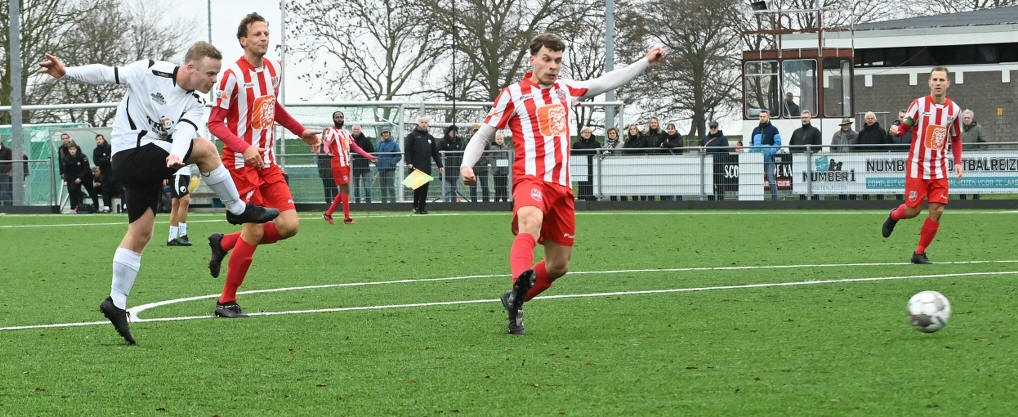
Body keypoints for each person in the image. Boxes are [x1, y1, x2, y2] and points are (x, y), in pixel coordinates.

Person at [37, 42, 280, 344]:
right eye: (210, 73)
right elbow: (107, 73)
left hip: (153, 158)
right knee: (206, 150)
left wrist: (176, 153)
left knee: (141, 233)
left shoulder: (196, 101)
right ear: (190, 67)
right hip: (129, 153)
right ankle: (237, 208)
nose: (214, 80)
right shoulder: (149, 71)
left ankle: (116, 302)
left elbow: (185, 130)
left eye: (216, 74)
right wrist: (66, 72)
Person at [459, 32, 666, 335]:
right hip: (530, 179)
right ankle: (520, 278)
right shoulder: (514, 94)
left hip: (562, 188)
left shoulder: (566, 90)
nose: (553, 65)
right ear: (532, 59)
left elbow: (606, 81)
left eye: (557, 60)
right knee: (530, 221)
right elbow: (483, 135)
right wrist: (466, 164)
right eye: (547, 59)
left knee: (559, 265)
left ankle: (515, 300)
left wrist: (645, 61)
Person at [205, 13, 322, 318]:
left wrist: (301, 131)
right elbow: (214, 123)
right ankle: (226, 302)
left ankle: (225, 242)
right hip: (240, 164)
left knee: (289, 225)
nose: (264, 38)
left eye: (266, 33)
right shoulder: (232, 75)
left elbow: (273, 107)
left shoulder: (273, 69)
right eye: (257, 34)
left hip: (267, 163)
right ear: (243, 40)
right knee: (255, 230)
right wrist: (244, 147)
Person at [881, 66, 964, 264]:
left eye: (941, 80)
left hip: (939, 168)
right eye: (934, 80)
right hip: (917, 166)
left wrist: (958, 162)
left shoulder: (954, 110)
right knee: (913, 210)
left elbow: (956, 138)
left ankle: (919, 252)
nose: (938, 83)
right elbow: (904, 127)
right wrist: (896, 131)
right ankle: (894, 216)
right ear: (929, 82)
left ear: (948, 83)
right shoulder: (919, 105)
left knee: (938, 210)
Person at [322, 111, 376, 225]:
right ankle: (347, 218)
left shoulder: (346, 132)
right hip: (338, 163)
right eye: (337, 117)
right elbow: (326, 144)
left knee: (343, 190)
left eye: (341, 117)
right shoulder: (331, 131)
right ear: (333, 119)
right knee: (346, 189)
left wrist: (369, 156)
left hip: (346, 164)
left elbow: (355, 147)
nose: (339, 119)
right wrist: (327, 152)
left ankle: (328, 214)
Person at [404, 116, 443, 214]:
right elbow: (407, 150)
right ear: (418, 123)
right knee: (417, 187)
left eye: (426, 122)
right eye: (422, 122)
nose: (424, 124)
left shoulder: (430, 137)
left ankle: (422, 207)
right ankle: (416, 206)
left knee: (425, 188)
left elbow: (435, 152)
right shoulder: (412, 136)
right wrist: (409, 162)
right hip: (415, 166)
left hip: (427, 166)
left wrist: (440, 165)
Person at [750, 110, 781, 200]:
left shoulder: (774, 129)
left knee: (771, 180)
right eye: (760, 116)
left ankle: (775, 201)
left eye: (764, 116)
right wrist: (751, 153)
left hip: (769, 160)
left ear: (768, 117)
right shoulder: (755, 130)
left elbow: (778, 143)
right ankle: (756, 200)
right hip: (756, 160)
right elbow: (751, 143)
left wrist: (770, 151)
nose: (762, 118)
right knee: (756, 181)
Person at [60, 143, 99, 213]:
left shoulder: (82, 156)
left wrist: (80, 178)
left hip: (86, 176)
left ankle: (96, 207)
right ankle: (74, 208)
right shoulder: (66, 158)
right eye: (70, 149)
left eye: (73, 149)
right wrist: (66, 180)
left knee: (91, 191)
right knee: (72, 190)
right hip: (75, 177)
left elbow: (86, 168)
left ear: (76, 149)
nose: (72, 151)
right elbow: (66, 170)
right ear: (68, 150)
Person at [960, 109, 986, 200]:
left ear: (972, 118)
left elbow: (984, 143)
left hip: (974, 159)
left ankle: (976, 199)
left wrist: (978, 153)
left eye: (968, 117)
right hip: (961, 158)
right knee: (961, 179)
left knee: (975, 179)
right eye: (965, 117)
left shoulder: (978, 128)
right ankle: (962, 200)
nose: (966, 119)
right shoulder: (958, 128)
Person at [701, 121, 730, 200]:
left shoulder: (723, 139)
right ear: (709, 128)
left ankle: (720, 202)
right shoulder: (705, 139)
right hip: (708, 166)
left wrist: (718, 161)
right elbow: (701, 152)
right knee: (710, 186)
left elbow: (726, 152)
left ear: (717, 127)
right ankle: (711, 203)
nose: (713, 128)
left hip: (718, 166)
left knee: (720, 185)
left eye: (715, 127)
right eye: (711, 127)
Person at [92, 134, 121, 213]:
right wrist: (106, 159)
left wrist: (102, 160)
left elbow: (112, 159)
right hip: (104, 174)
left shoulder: (110, 147)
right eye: (97, 139)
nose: (99, 141)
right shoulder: (96, 150)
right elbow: (96, 162)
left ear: (103, 139)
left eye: (100, 139)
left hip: (113, 173)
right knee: (105, 190)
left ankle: (125, 207)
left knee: (120, 189)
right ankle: (107, 207)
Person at [571, 126, 600, 201]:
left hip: (593, 167)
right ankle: (582, 198)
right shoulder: (576, 144)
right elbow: (573, 156)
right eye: (585, 132)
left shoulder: (596, 144)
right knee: (582, 184)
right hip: (581, 167)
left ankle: (593, 198)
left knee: (593, 183)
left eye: (589, 132)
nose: (587, 134)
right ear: (581, 134)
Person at [166, 166, 193, 245]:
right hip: (177, 172)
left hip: (186, 172)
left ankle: (172, 238)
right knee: (185, 199)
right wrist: (164, 174)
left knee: (176, 204)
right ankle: (183, 235)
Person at [374, 128, 401, 204]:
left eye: (387, 132)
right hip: (381, 169)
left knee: (391, 187)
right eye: (384, 133)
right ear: (382, 134)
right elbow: (374, 155)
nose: (385, 134)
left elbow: (398, 156)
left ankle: (393, 204)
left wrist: (391, 163)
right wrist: (377, 163)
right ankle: (384, 204)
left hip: (390, 169)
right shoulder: (378, 144)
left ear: (389, 134)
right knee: (383, 187)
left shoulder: (394, 144)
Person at [438, 125, 463, 202]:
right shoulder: (442, 142)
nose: (454, 133)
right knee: (447, 189)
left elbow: (461, 154)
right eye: (452, 131)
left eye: (455, 132)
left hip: (456, 170)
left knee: (454, 190)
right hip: (445, 170)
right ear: (448, 132)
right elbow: (437, 154)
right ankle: (446, 205)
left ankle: (454, 204)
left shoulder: (459, 142)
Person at [466, 123, 491, 202]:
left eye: (477, 130)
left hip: (483, 167)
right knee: (472, 187)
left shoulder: (485, 140)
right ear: (472, 132)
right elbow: (464, 152)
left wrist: (485, 160)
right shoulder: (467, 141)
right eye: (474, 131)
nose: (476, 132)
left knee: (485, 186)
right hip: (472, 168)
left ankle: (486, 203)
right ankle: (474, 204)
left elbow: (489, 152)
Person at [350, 124, 375, 203]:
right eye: (354, 129)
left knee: (367, 186)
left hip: (365, 167)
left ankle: (368, 203)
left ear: (360, 130)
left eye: (357, 129)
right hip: (353, 167)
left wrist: (368, 160)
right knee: (355, 187)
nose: (356, 131)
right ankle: (357, 203)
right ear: (352, 130)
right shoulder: (348, 141)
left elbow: (372, 151)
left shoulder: (366, 140)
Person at [312, 139, 338, 204]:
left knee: (333, 185)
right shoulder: (319, 145)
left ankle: (336, 201)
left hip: (331, 169)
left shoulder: (331, 144)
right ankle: (328, 202)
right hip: (323, 169)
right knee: (326, 186)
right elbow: (315, 151)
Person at [490, 131, 511, 202]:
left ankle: (505, 201)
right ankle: (497, 201)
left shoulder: (506, 147)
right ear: (495, 140)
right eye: (498, 139)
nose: (499, 140)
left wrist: (508, 166)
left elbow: (509, 157)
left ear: (503, 139)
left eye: (501, 139)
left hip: (504, 171)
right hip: (496, 171)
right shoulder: (492, 148)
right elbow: (491, 159)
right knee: (497, 187)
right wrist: (495, 167)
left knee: (504, 186)